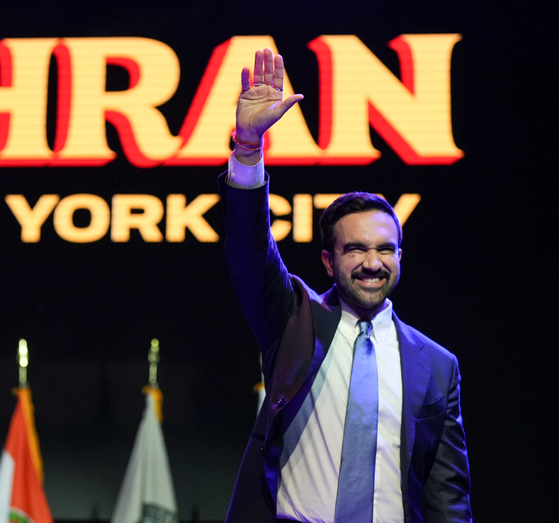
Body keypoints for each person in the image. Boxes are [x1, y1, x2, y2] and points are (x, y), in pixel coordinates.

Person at [221, 49, 471, 523]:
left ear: (400, 257)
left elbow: (447, 496)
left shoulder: (438, 366)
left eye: (385, 249)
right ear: (327, 260)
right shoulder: (293, 320)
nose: (372, 263)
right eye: (355, 249)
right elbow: (247, 255)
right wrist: (248, 149)